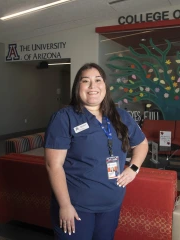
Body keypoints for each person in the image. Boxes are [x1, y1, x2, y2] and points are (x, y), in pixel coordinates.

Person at [44, 63, 148, 240]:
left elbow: (142, 144)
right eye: (86, 81)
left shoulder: (121, 116)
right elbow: (53, 165)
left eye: (98, 80)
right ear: (78, 87)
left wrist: (134, 168)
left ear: (105, 86)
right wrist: (65, 205)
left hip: (111, 204)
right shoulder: (64, 118)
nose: (93, 86)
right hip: (76, 207)